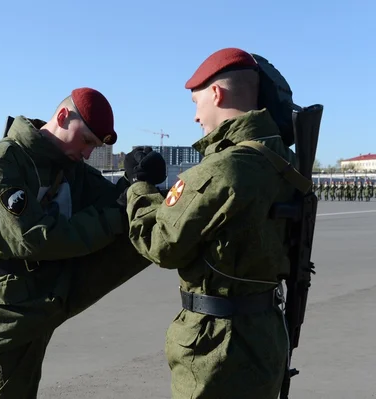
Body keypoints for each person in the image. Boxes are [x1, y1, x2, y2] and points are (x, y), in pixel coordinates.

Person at [124, 48, 300, 399]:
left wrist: (140, 189)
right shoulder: (284, 160)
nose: (195, 116)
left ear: (217, 94)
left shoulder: (224, 168)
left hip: (218, 346)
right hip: (265, 332)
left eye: (196, 102)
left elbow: (161, 244)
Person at [0, 87, 159, 398]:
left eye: (93, 147)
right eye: (86, 142)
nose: (86, 154)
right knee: (11, 392)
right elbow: (35, 238)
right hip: (10, 301)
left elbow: (115, 202)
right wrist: (116, 212)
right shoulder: (4, 161)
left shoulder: (68, 165)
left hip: (47, 288)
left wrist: (136, 179)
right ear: (63, 116)